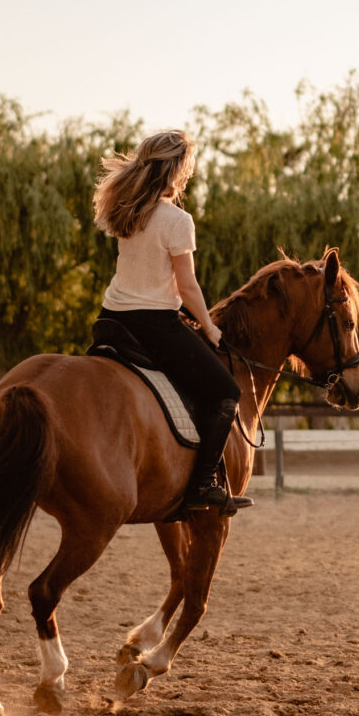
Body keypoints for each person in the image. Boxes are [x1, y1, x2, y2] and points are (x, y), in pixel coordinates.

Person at [92, 129, 245, 511]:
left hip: (111, 319)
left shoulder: (125, 210)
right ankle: (201, 487)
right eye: (187, 167)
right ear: (177, 169)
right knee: (227, 393)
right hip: (154, 325)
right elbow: (187, 286)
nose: (188, 174)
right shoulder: (177, 220)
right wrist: (210, 328)